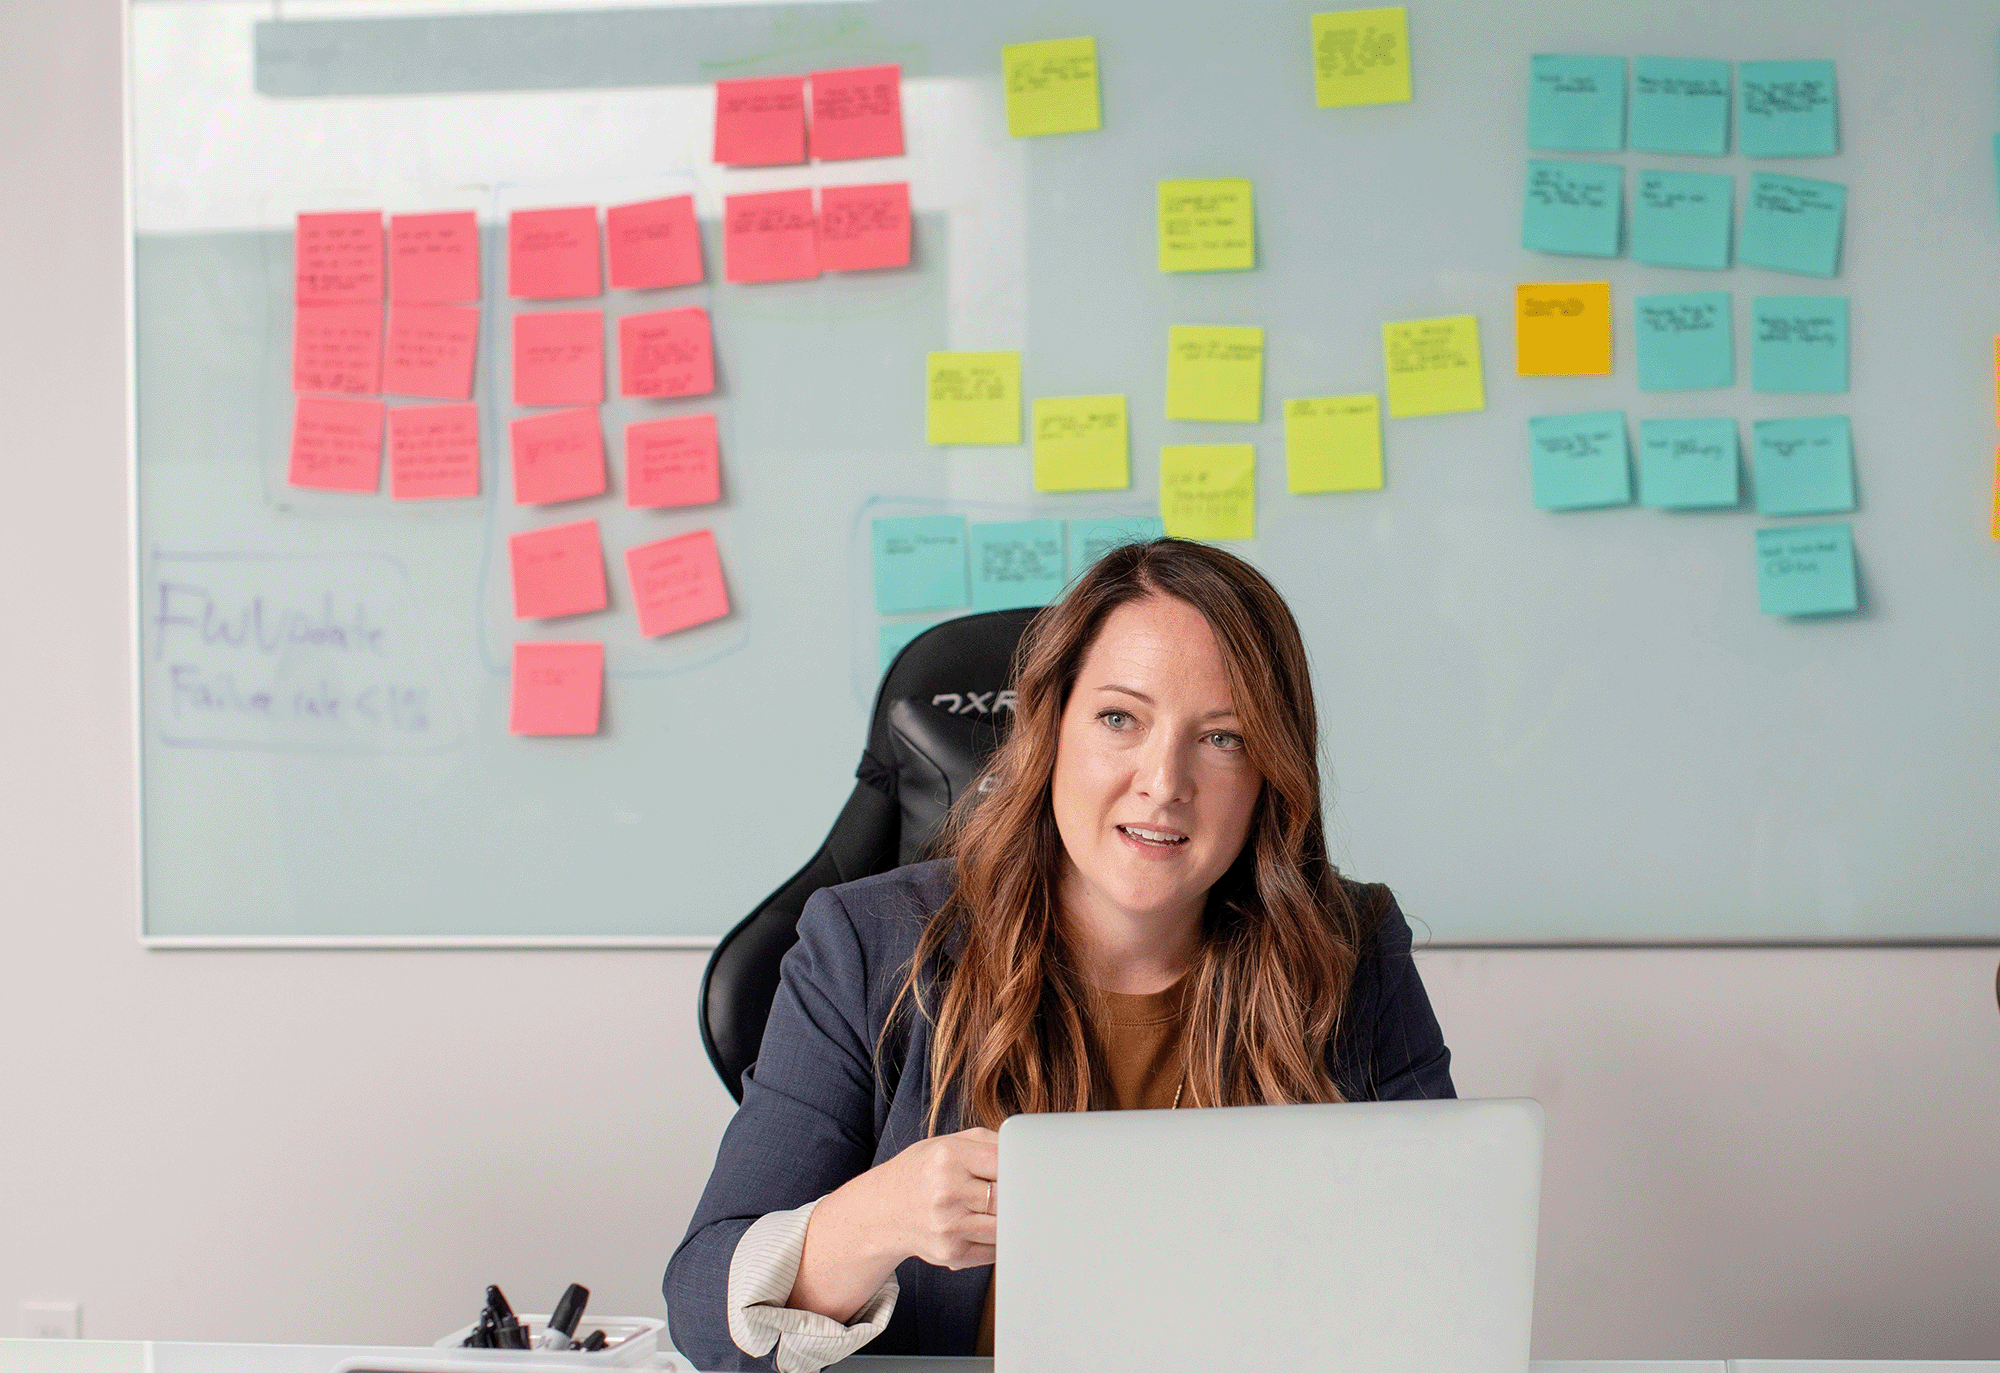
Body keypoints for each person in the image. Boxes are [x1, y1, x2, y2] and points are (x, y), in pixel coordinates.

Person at [664, 538, 1453, 1372]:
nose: (1163, 781)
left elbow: (1447, 1263)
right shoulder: (868, 946)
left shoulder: (1350, 948)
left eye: (1222, 737)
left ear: (1269, 771)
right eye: (1121, 718)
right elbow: (702, 1315)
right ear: (1052, 729)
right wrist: (879, 1216)